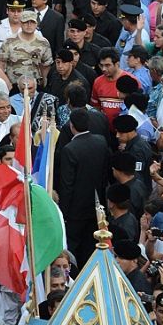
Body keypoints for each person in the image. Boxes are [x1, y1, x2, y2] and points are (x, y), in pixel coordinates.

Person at [59, 108, 110, 266]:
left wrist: (63, 213)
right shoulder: (101, 141)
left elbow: (67, 185)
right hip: (96, 208)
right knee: (90, 247)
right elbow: (104, 174)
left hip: (75, 211)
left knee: (73, 248)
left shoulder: (69, 150)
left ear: (71, 126)